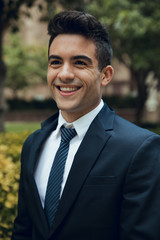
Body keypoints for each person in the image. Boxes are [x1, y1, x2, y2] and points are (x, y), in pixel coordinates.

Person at [12, 10, 160, 240]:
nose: (65, 74)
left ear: (106, 75)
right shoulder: (33, 144)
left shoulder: (140, 149)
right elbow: (23, 230)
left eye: (80, 63)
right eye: (55, 62)